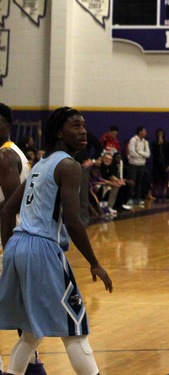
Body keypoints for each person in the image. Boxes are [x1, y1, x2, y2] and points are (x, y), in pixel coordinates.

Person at [0, 107, 113, 375]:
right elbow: (73, 221)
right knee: (75, 328)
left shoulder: (40, 164)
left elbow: (6, 212)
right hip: (41, 248)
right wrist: (94, 263)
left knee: (30, 331)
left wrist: (10, 252)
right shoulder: (68, 165)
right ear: (59, 132)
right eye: (75, 126)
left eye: (84, 125)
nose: (83, 131)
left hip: (18, 245)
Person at [0, 104, 47, 375]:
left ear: (8, 125)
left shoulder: (6, 155)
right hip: (20, 237)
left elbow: (9, 205)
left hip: (7, 239)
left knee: (20, 311)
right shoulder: (14, 151)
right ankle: (32, 366)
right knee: (20, 311)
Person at [127, 126, 150, 206]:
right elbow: (132, 153)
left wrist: (139, 152)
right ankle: (130, 198)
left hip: (142, 165)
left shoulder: (145, 142)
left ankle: (137, 197)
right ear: (140, 132)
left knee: (139, 182)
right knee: (132, 181)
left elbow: (148, 154)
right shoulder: (133, 140)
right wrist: (142, 155)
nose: (146, 133)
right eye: (144, 131)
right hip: (133, 164)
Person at [150, 129, 169, 204]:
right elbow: (153, 153)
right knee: (156, 181)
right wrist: (158, 145)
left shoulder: (166, 143)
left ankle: (163, 196)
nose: (160, 135)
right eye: (159, 133)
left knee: (164, 181)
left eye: (161, 133)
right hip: (156, 165)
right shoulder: (154, 143)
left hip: (164, 165)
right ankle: (156, 196)